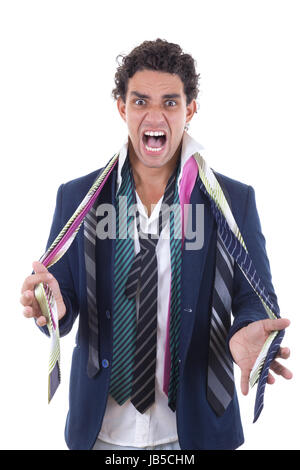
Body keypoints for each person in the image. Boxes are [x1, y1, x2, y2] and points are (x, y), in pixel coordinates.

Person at [20, 39, 292, 450]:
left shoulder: (233, 201)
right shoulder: (77, 199)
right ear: (121, 108)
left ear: (190, 109)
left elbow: (256, 298)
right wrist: (52, 308)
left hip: (194, 432)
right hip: (101, 432)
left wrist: (249, 329)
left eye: (170, 102)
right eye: (141, 100)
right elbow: (62, 296)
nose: (155, 115)